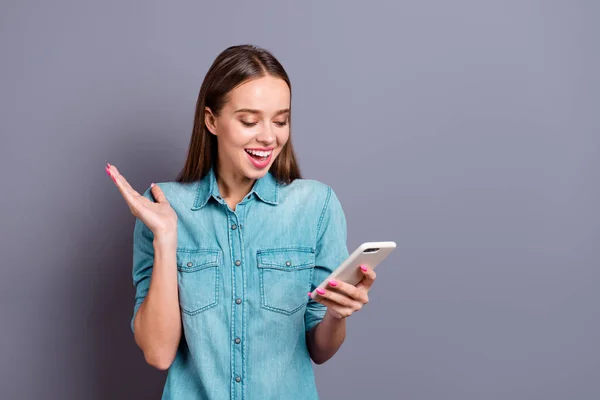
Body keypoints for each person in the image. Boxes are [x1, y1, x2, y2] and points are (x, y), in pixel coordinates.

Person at [106, 44, 377, 400]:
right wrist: (166, 237)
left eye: (280, 121)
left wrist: (337, 315)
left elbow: (320, 348)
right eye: (249, 121)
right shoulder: (162, 207)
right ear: (211, 120)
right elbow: (158, 353)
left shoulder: (316, 206)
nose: (268, 136)